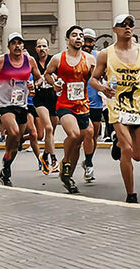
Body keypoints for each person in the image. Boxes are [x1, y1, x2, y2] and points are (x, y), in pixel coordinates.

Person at [89, 14, 140, 203]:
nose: (127, 27)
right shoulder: (106, 54)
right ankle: (131, 193)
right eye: (123, 25)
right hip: (117, 105)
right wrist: (102, 88)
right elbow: (93, 79)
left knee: (138, 155)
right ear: (115, 29)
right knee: (127, 148)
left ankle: (117, 143)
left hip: (139, 106)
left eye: (130, 24)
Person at [0, 32, 44, 187]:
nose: (17, 46)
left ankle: (6, 165)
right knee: (13, 133)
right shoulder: (1, 60)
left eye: (20, 43)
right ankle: (7, 160)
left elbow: (39, 77)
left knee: (17, 140)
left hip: (21, 105)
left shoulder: (30, 60)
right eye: (13, 43)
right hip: (4, 105)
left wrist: (35, 84)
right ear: (9, 46)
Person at [44, 25, 96, 194]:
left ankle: (68, 176)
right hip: (65, 105)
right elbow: (47, 73)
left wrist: (104, 87)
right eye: (74, 35)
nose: (79, 38)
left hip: (83, 105)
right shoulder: (59, 58)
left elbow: (96, 78)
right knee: (73, 135)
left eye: (81, 35)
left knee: (79, 141)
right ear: (68, 40)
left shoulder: (89, 59)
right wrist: (54, 84)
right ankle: (65, 162)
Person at [33, 38, 59, 174]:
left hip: (53, 97)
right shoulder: (33, 62)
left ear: (48, 48)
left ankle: (45, 155)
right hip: (39, 98)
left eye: (44, 46)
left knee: (51, 132)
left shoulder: (53, 60)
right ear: (36, 49)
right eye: (39, 46)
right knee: (48, 127)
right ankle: (53, 160)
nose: (42, 49)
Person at [81, 28, 102, 181]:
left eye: (90, 41)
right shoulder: (75, 57)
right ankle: (86, 163)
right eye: (85, 40)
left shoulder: (99, 57)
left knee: (93, 134)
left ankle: (89, 161)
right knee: (83, 134)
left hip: (96, 101)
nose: (87, 44)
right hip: (78, 101)